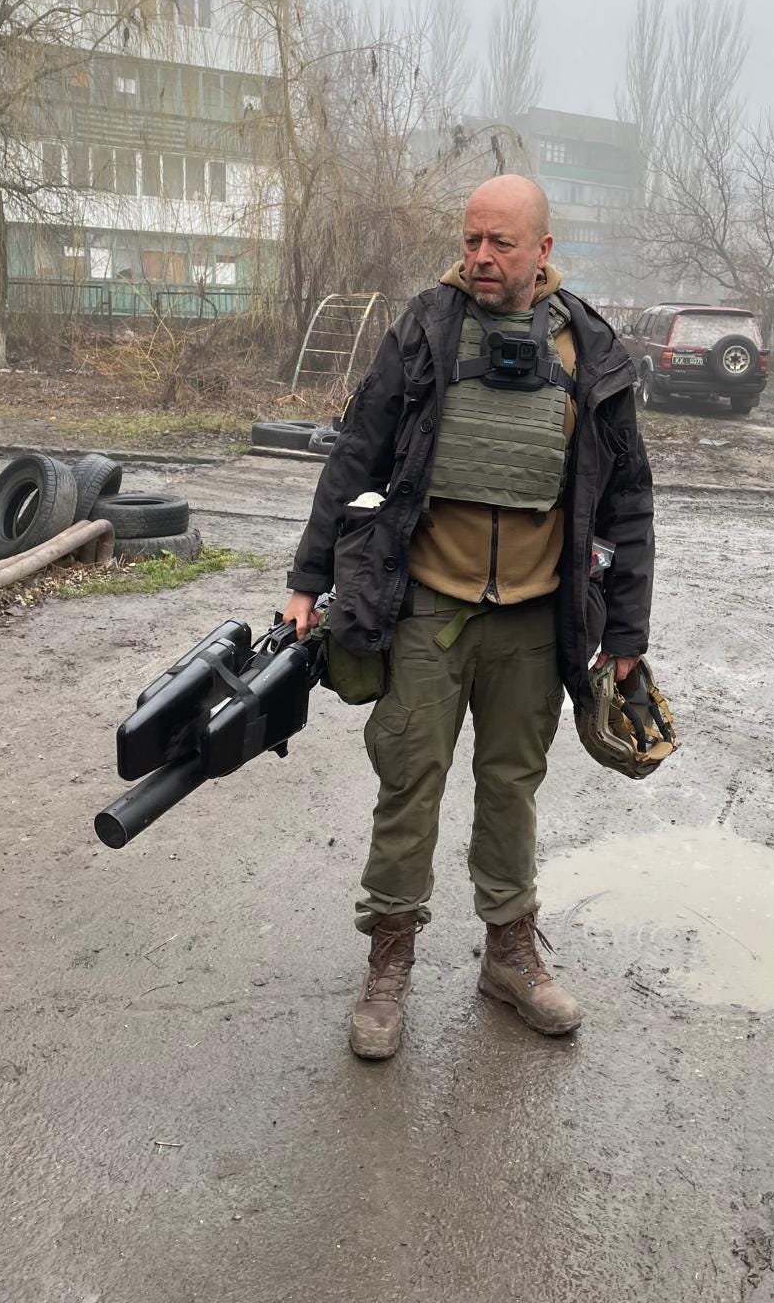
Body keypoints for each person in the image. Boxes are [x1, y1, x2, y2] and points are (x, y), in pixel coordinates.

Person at [283, 174, 654, 1059]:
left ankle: (509, 953)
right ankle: (390, 958)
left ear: (543, 251)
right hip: (428, 607)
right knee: (409, 780)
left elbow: (627, 497)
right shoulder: (425, 329)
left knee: (512, 786)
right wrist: (307, 577)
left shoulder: (591, 350)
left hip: (535, 619)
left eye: (501, 244)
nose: (480, 258)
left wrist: (627, 634)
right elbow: (356, 455)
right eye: (470, 241)